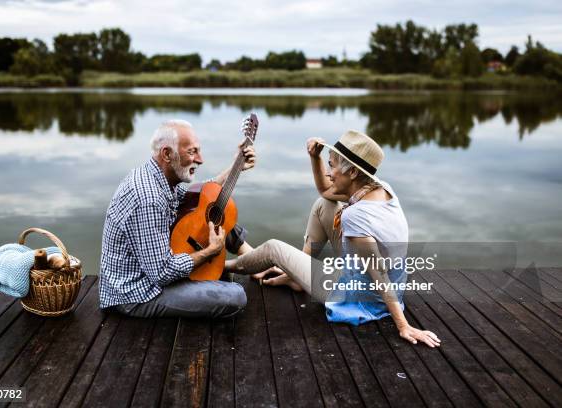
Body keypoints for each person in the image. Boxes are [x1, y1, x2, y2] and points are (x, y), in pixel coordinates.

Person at [225, 130, 441, 347]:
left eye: (332, 166)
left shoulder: (356, 216)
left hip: (361, 298)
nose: (329, 173)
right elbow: (326, 192)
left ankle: (224, 266)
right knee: (324, 206)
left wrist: (403, 326)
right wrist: (315, 158)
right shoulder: (381, 189)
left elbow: (379, 273)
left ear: (354, 173)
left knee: (273, 248)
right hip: (379, 282)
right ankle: (297, 276)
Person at [99, 119, 256, 318]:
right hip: (137, 294)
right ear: (167, 154)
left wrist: (236, 167)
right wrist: (209, 252)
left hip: (153, 274)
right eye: (192, 152)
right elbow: (162, 274)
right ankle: (246, 265)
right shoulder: (148, 198)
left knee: (216, 212)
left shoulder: (158, 177)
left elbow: (201, 194)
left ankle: (256, 264)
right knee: (235, 296)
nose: (200, 159)